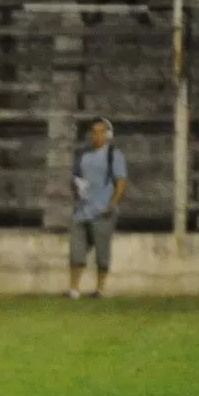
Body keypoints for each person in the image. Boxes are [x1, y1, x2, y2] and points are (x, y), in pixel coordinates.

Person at [68, 118, 128, 299]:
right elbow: (75, 178)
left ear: (108, 134)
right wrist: (77, 191)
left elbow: (121, 182)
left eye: (101, 131)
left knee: (102, 254)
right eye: (94, 132)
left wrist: (113, 204)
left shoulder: (114, 155)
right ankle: (74, 289)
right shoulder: (83, 155)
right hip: (82, 211)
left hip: (103, 211)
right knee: (76, 251)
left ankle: (100, 289)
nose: (97, 135)